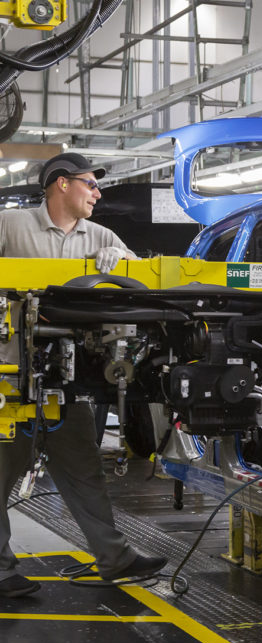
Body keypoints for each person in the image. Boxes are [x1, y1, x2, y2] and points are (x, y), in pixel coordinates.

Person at [0, 153, 166, 597]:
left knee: (83, 469)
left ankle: (115, 557)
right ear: (61, 184)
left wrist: (124, 259)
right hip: (10, 379)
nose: (98, 193)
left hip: (66, 379)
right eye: (90, 184)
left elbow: (138, 284)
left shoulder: (101, 236)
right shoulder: (10, 226)